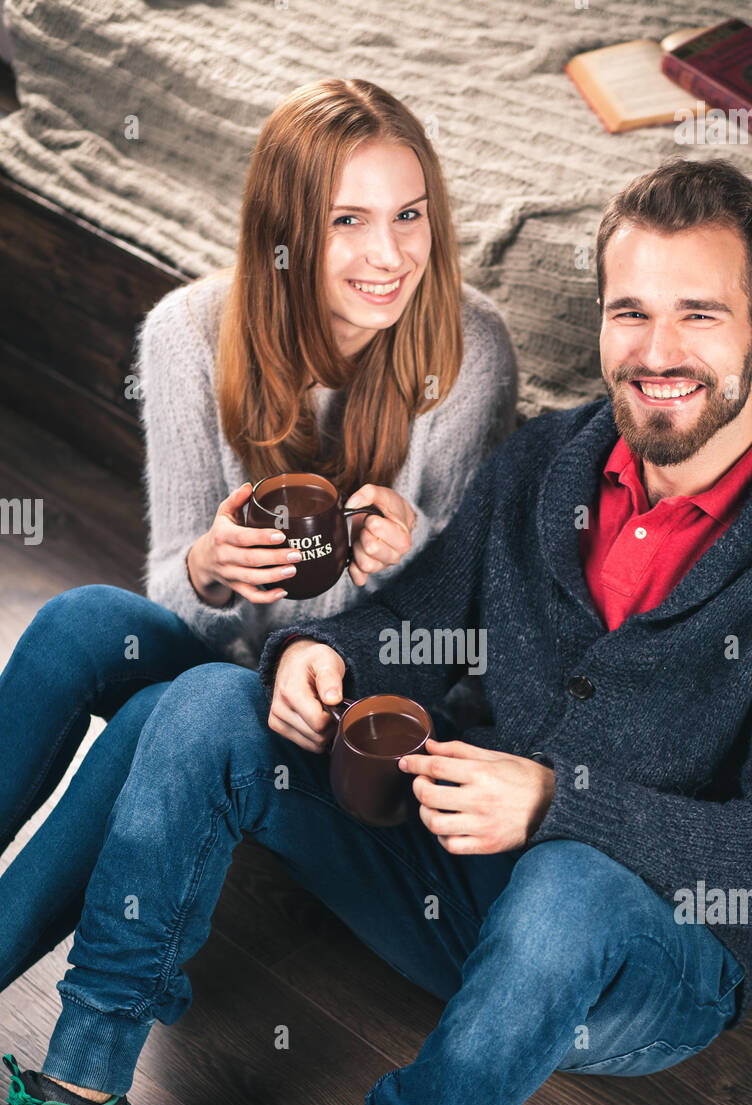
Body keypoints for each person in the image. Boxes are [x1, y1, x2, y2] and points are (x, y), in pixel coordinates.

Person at [2, 158, 752, 1105]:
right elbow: (418, 611)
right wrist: (330, 650)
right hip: (450, 878)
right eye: (629, 311)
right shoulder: (551, 455)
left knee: (572, 886)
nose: (656, 352)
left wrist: (562, 804)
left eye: (696, 314)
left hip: (638, 961)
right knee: (214, 700)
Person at [0, 77, 517, 990]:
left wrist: (417, 558)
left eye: (409, 215)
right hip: (233, 666)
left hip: (339, 708)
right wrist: (205, 571)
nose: (390, 256)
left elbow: (470, 640)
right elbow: (168, 587)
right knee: (79, 618)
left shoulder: (472, 351)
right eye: (346, 222)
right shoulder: (188, 334)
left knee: (179, 706)